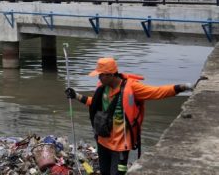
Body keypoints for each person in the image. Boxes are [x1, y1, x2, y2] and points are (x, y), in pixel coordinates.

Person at [64, 57, 193, 175]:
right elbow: (93, 103)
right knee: (104, 172)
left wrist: (182, 87)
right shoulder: (103, 88)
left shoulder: (132, 88)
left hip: (120, 145)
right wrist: (76, 95)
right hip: (103, 141)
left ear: (110, 75)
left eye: (100, 75)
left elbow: (156, 92)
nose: (99, 78)